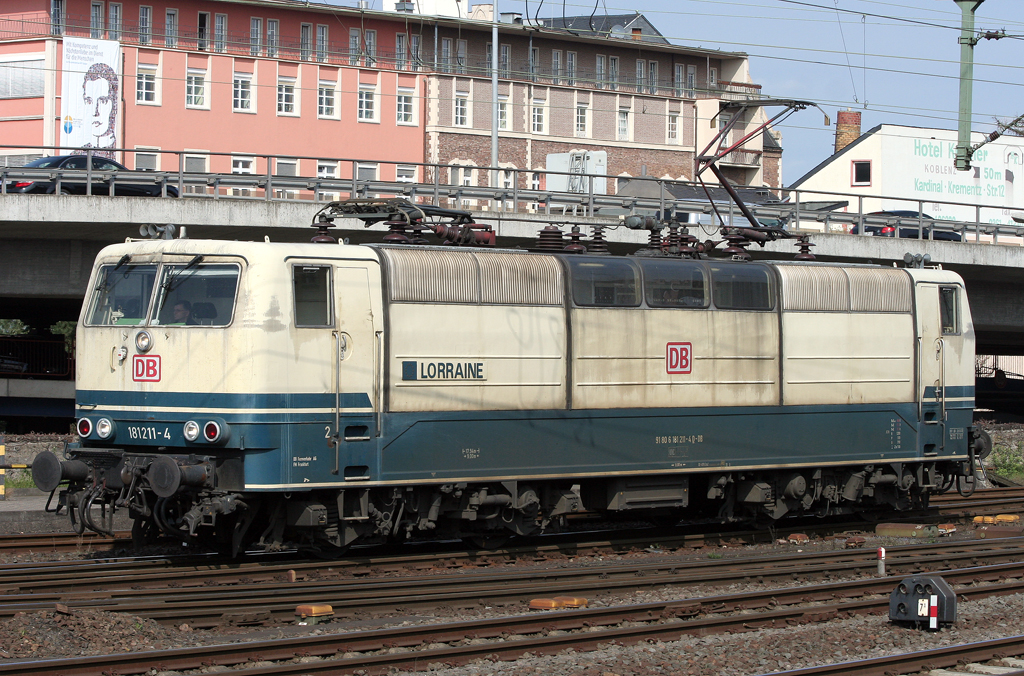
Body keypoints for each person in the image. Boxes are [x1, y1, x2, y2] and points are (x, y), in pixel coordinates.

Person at [79, 62, 118, 160]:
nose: (95, 112)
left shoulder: (119, 153)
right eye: (89, 101)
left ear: (114, 103)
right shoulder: (76, 156)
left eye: (102, 100)